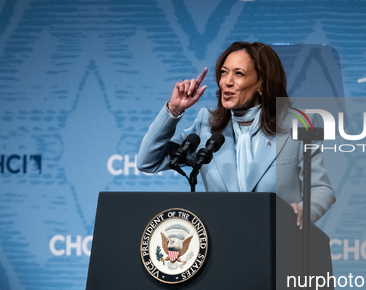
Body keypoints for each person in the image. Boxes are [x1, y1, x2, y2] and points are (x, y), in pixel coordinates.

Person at [137, 41, 335, 226]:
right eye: (224, 73)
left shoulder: (297, 126)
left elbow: (321, 189)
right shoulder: (206, 125)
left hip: (279, 245)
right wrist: (174, 109)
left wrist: (303, 210)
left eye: (238, 73)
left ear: (261, 83)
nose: (227, 82)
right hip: (223, 248)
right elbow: (147, 162)